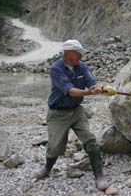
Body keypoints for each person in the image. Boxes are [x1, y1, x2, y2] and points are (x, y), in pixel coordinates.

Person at [34, 40, 117, 190]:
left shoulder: (82, 66)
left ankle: (99, 175)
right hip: (57, 113)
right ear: (67, 54)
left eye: (80, 54)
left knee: (90, 140)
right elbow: (70, 91)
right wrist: (89, 92)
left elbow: (91, 82)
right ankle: (47, 168)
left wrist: (98, 87)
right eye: (78, 54)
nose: (80, 57)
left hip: (77, 111)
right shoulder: (56, 68)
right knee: (54, 146)